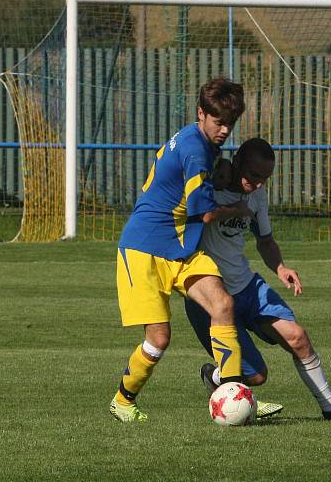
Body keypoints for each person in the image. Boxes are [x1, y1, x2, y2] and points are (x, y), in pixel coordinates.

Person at [185, 137, 331, 421]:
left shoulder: (256, 195)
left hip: (247, 287)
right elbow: (197, 214)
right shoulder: (207, 188)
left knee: (298, 338)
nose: (259, 184)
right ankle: (215, 377)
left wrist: (280, 268)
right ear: (237, 162)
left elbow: (265, 241)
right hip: (209, 298)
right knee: (256, 377)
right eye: (254, 175)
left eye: (265, 178)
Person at [110, 77, 251, 423]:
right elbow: (204, 212)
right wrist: (236, 209)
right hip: (144, 248)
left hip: (179, 246)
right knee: (159, 339)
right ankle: (122, 401)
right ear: (201, 114)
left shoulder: (197, 140)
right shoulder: (194, 150)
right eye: (218, 122)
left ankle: (236, 392)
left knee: (223, 304)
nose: (224, 130)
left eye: (230, 124)